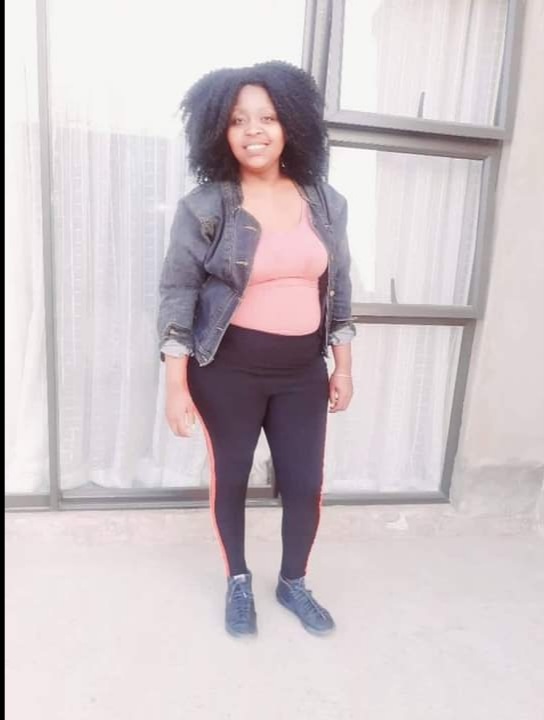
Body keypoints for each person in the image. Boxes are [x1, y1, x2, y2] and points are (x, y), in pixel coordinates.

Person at [157, 60, 355, 638]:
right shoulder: (206, 206)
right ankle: (238, 580)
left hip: (302, 372)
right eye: (238, 120)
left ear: (291, 124)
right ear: (219, 130)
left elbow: (339, 287)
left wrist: (343, 366)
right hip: (228, 371)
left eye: (267, 117)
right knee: (233, 478)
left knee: (305, 484)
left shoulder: (326, 202)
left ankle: (294, 582)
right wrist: (175, 384)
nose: (254, 131)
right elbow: (177, 293)